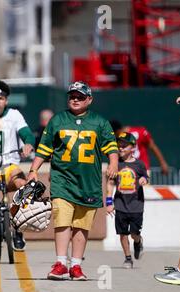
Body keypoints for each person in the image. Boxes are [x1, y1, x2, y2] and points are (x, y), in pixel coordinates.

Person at [27, 81, 118, 280]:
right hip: (62, 180)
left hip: (89, 183)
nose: (75, 100)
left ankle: (76, 266)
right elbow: (44, 148)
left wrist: (113, 163)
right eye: (72, 96)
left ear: (89, 99)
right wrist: (34, 169)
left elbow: (111, 146)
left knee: (81, 225)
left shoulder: (99, 122)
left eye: (80, 96)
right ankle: (60, 263)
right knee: (62, 221)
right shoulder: (58, 120)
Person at [0, 79, 35, 251]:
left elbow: (27, 134)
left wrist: (28, 144)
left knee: (24, 186)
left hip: (9, 163)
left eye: (1, 98)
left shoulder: (14, 115)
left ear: (6, 100)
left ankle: (19, 228)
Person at [106, 132, 148, 269]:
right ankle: (128, 258)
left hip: (136, 205)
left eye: (124, 145)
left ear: (133, 148)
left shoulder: (139, 165)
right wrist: (108, 202)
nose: (121, 148)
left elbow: (146, 178)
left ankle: (138, 241)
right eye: (119, 145)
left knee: (134, 233)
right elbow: (110, 183)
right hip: (120, 204)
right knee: (123, 233)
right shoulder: (115, 164)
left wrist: (143, 180)